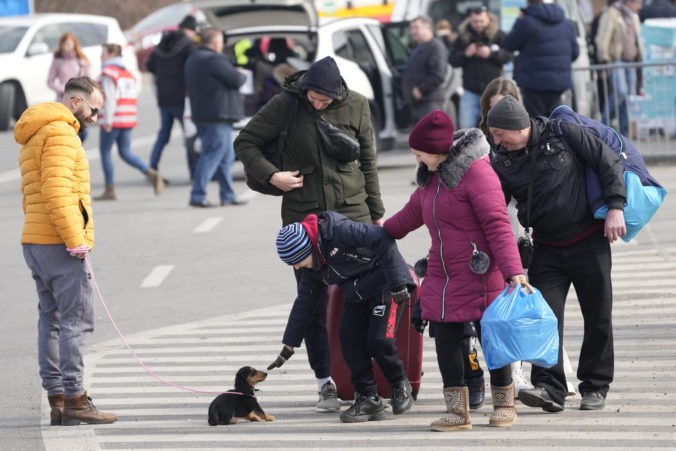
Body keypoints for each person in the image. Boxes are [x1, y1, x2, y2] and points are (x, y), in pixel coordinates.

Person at [235, 56, 385, 413]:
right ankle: (325, 383)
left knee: (361, 300)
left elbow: (367, 162)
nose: (318, 103)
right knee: (313, 302)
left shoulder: (358, 105)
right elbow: (245, 142)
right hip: (305, 221)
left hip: (353, 215)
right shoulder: (285, 104)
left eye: (324, 100)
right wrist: (274, 176)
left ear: (338, 93)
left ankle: (369, 382)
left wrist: (376, 215)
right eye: (313, 97)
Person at [383, 110, 525, 431]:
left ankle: (504, 404)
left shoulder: (478, 173)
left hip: (480, 273)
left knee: (493, 339)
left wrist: (513, 270)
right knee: (445, 340)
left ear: (436, 150)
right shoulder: (431, 176)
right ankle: (457, 413)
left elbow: (498, 224)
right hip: (443, 276)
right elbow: (408, 215)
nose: (416, 157)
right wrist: (376, 232)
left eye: (419, 152)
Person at [487, 95, 626, 412]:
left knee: (598, 316)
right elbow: (492, 207)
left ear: (517, 126)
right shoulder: (502, 160)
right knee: (542, 319)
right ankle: (550, 387)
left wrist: (616, 207)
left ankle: (595, 386)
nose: (495, 141)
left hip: (589, 241)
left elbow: (608, 162)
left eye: (498, 134)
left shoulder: (563, 133)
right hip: (546, 249)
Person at [15, 76, 117, 426]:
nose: (95, 118)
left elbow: (34, 193)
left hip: (36, 239)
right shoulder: (60, 132)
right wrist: (75, 239)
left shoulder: (37, 130)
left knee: (52, 320)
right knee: (76, 320)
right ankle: (75, 398)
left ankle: (58, 399)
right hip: (59, 242)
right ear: (76, 101)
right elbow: (58, 192)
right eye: (94, 109)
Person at [274, 211, 416, 423]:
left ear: (309, 247)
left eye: (298, 261)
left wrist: (398, 284)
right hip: (357, 295)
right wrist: (289, 345)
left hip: (387, 286)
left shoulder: (340, 231)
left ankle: (400, 385)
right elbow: (305, 303)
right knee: (348, 341)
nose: (297, 267)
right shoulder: (314, 267)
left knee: (379, 341)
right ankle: (368, 398)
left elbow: (383, 238)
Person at [185, 28, 247, 207]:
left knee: (225, 156)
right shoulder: (213, 59)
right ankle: (197, 195)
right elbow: (236, 80)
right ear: (215, 43)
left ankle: (227, 195)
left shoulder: (193, 58)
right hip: (217, 115)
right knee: (212, 154)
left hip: (205, 114)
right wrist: (241, 73)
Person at [95, 44, 163, 200]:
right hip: (128, 118)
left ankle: (109, 189)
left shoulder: (108, 73)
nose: (101, 56)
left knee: (105, 151)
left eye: (103, 53)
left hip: (114, 118)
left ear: (112, 54)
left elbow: (110, 98)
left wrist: (108, 120)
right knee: (125, 152)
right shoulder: (126, 73)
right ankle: (150, 173)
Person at [502, 0, 579, 118]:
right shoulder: (566, 23)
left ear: (528, 3)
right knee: (555, 118)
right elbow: (575, 53)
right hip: (558, 81)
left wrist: (519, 20)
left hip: (532, 81)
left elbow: (508, 45)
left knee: (537, 121)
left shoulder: (526, 22)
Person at [146, 15, 198, 179]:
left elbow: (149, 66)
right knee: (189, 134)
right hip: (181, 97)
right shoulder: (188, 46)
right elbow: (192, 69)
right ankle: (194, 172)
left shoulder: (162, 43)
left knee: (163, 135)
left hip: (164, 97)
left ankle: (152, 169)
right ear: (189, 30)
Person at [449, 6, 512, 129]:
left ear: (489, 19)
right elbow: (452, 60)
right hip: (470, 91)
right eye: (475, 21)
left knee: (497, 127)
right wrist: (465, 54)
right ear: (469, 21)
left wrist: (491, 54)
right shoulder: (462, 38)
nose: (478, 25)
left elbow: (509, 55)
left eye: (481, 21)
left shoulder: (499, 35)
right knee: (467, 129)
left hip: (494, 91)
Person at [595, 0, 643, 137]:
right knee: (620, 92)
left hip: (631, 62)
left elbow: (636, 39)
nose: (640, 6)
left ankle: (624, 132)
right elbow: (603, 38)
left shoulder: (633, 16)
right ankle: (603, 123)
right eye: (638, 3)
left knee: (629, 97)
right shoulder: (612, 13)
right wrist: (605, 61)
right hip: (616, 60)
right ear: (629, 2)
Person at [402, 15, 449, 122]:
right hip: (419, 103)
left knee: (432, 136)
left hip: (430, 102)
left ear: (427, 28)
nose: (413, 32)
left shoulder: (435, 47)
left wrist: (420, 89)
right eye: (412, 28)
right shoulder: (420, 47)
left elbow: (438, 74)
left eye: (416, 28)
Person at [47, 33, 91, 142]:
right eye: (64, 44)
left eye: (68, 44)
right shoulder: (58, 61)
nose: (66, 47)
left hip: (79, 101)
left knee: (83, 131)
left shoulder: (81, 61)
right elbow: (50, 81)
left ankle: (76, 151)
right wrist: (62, 89)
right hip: (63, 100)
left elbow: (89, 81)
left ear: (74, 45)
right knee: (69, 132)